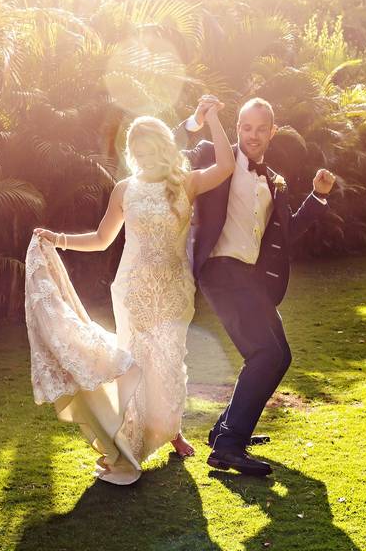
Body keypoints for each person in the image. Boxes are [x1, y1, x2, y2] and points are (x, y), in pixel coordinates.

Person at [25, 101, 234, 485]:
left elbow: (226, 166)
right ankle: (130, 441)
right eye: (136, 153)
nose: (143, 158)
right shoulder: (125, 189)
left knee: (169, 364)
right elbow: (104, 239)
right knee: (137, 366)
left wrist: (214, 119)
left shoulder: (184, 182)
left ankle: (170, 428)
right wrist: (60, 239)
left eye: (149, 150)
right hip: (133, 290)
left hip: (173, 291)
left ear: (163, 148)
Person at [176, 95, 336, 476]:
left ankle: (225, 431)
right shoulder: (214, 156)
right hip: (220, 270)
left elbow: (288, 230)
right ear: (237, 129)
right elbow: (172, 152)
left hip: (252, 278)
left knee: (279, 355)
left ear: (272, 131)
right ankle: (230, 444)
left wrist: (319, 197)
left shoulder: (273, 182)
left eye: (261, 129)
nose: (253, 135)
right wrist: (196, 121)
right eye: (246, 127)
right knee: (264, 354)